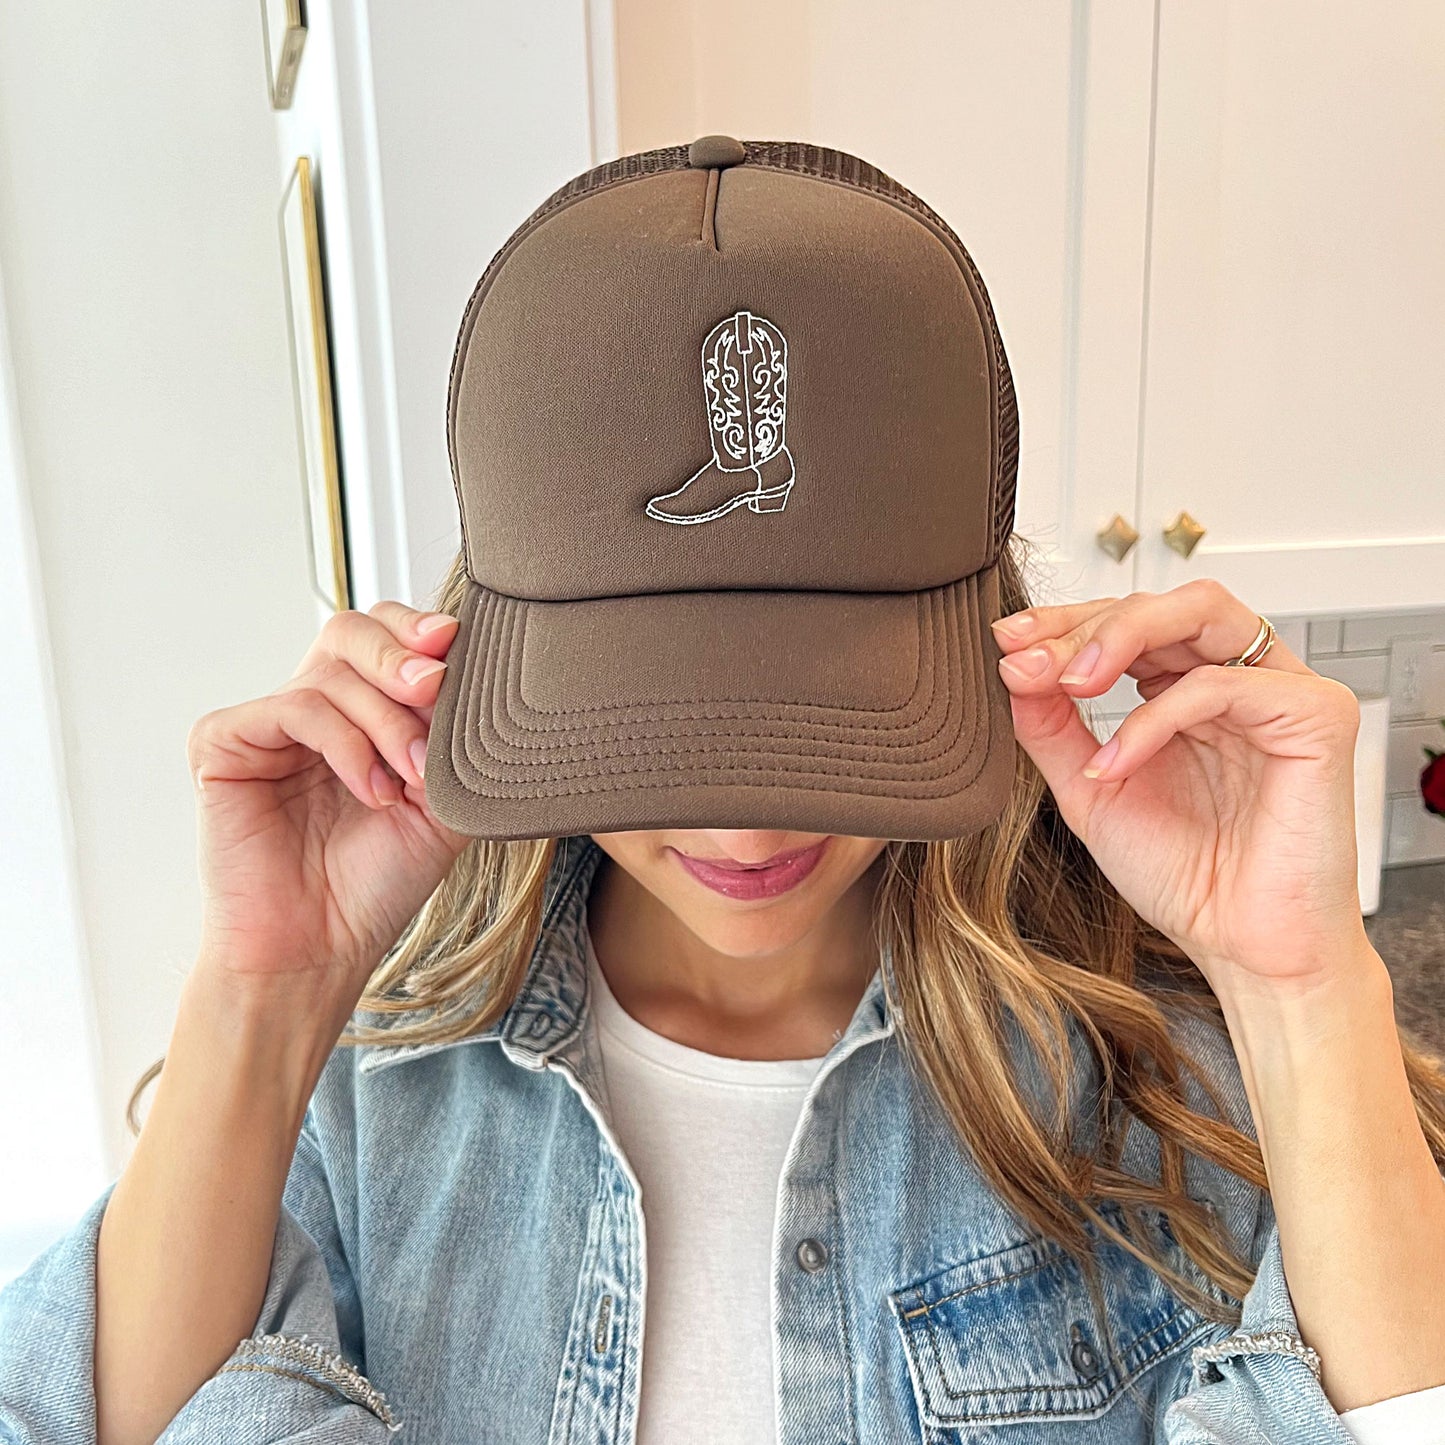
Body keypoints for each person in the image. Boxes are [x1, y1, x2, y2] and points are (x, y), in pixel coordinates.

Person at [3, 138, 1444, 1445]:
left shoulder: (1172, 1092)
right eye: (658, 728)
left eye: (836, 722)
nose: (748, 828)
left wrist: (1301, 987)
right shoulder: (366, 1115)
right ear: (487, 657)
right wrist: (263, 994)